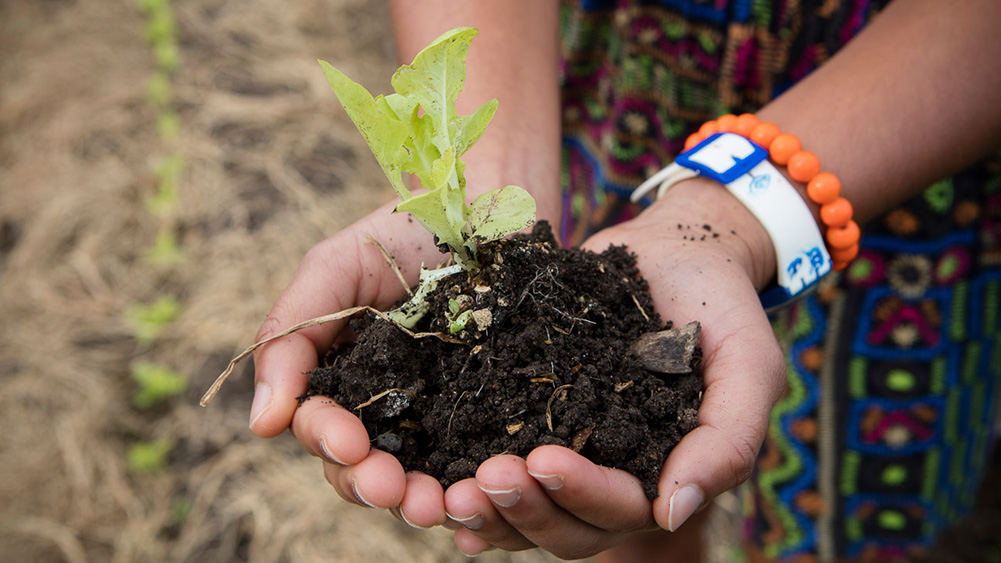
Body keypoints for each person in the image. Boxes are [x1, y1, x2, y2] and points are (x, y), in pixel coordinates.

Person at [247, 1, 1001, 560]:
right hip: (630, 82)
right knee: (633, 495)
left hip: (907, 146)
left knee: (846, 511)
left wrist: (743, 210)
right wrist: (484, 179)